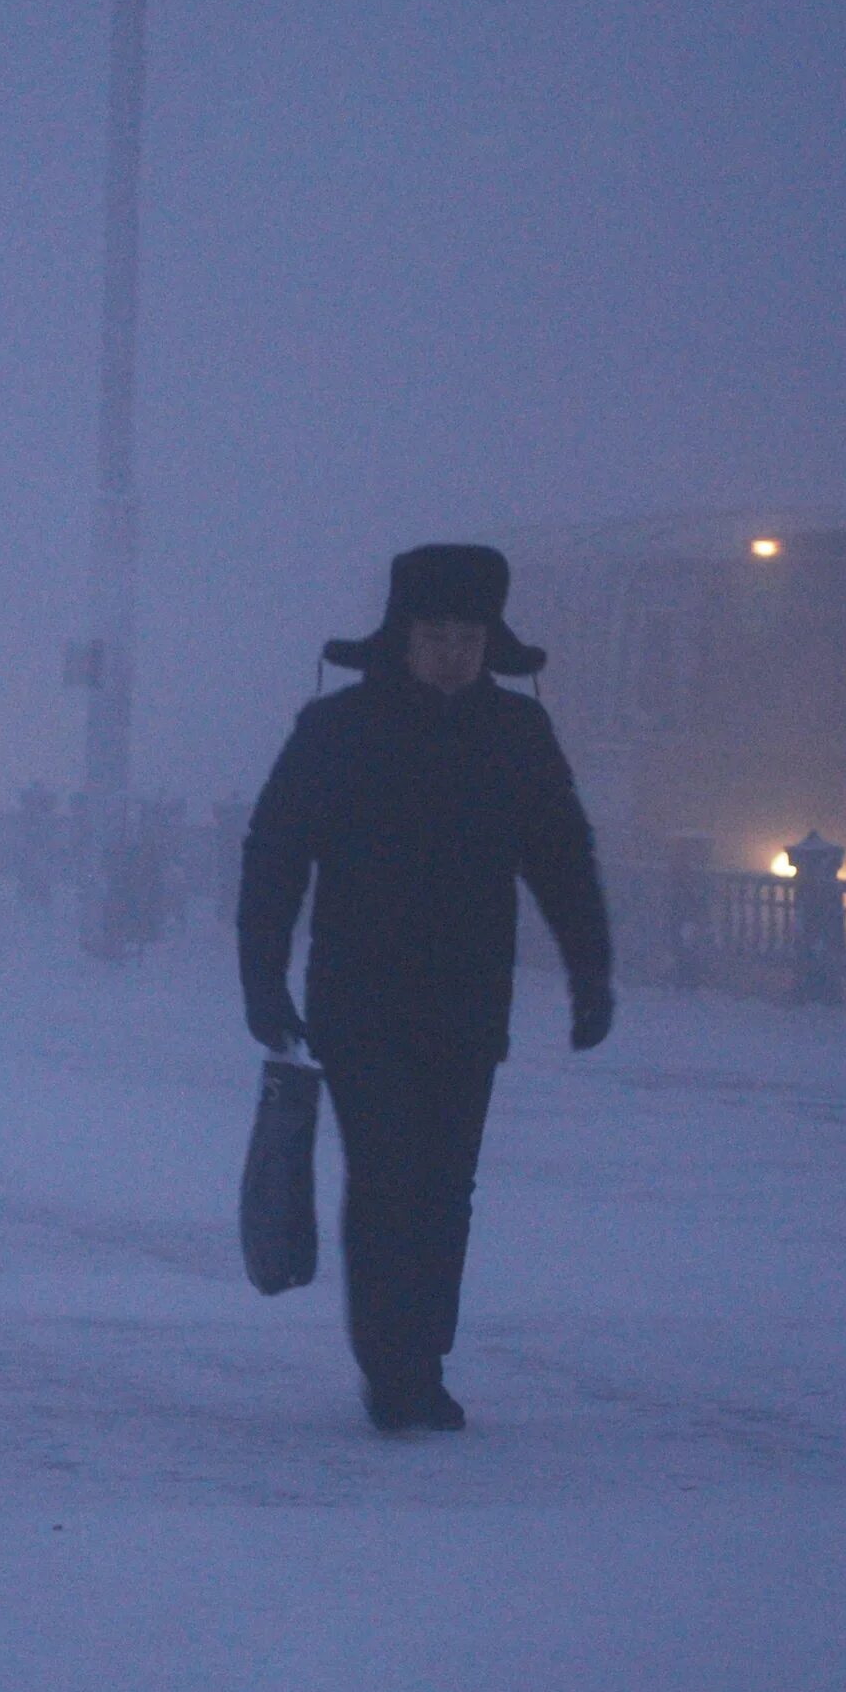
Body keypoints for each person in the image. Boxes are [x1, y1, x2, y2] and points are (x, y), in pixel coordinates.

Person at [237, 543, 614, 1434]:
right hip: (358, 1001)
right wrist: (262, 977)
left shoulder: (518, 736)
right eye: (437, 633)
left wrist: (589, 973)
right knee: (387, 1177)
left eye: (469, 635)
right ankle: (394, 1370)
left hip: (468, 1001)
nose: (453, 651)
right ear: (403, 635)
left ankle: (424, 1356)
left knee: (447, 1187)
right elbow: (274, 853)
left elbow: (562, 856)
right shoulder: (337, 730)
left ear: (491, 640)